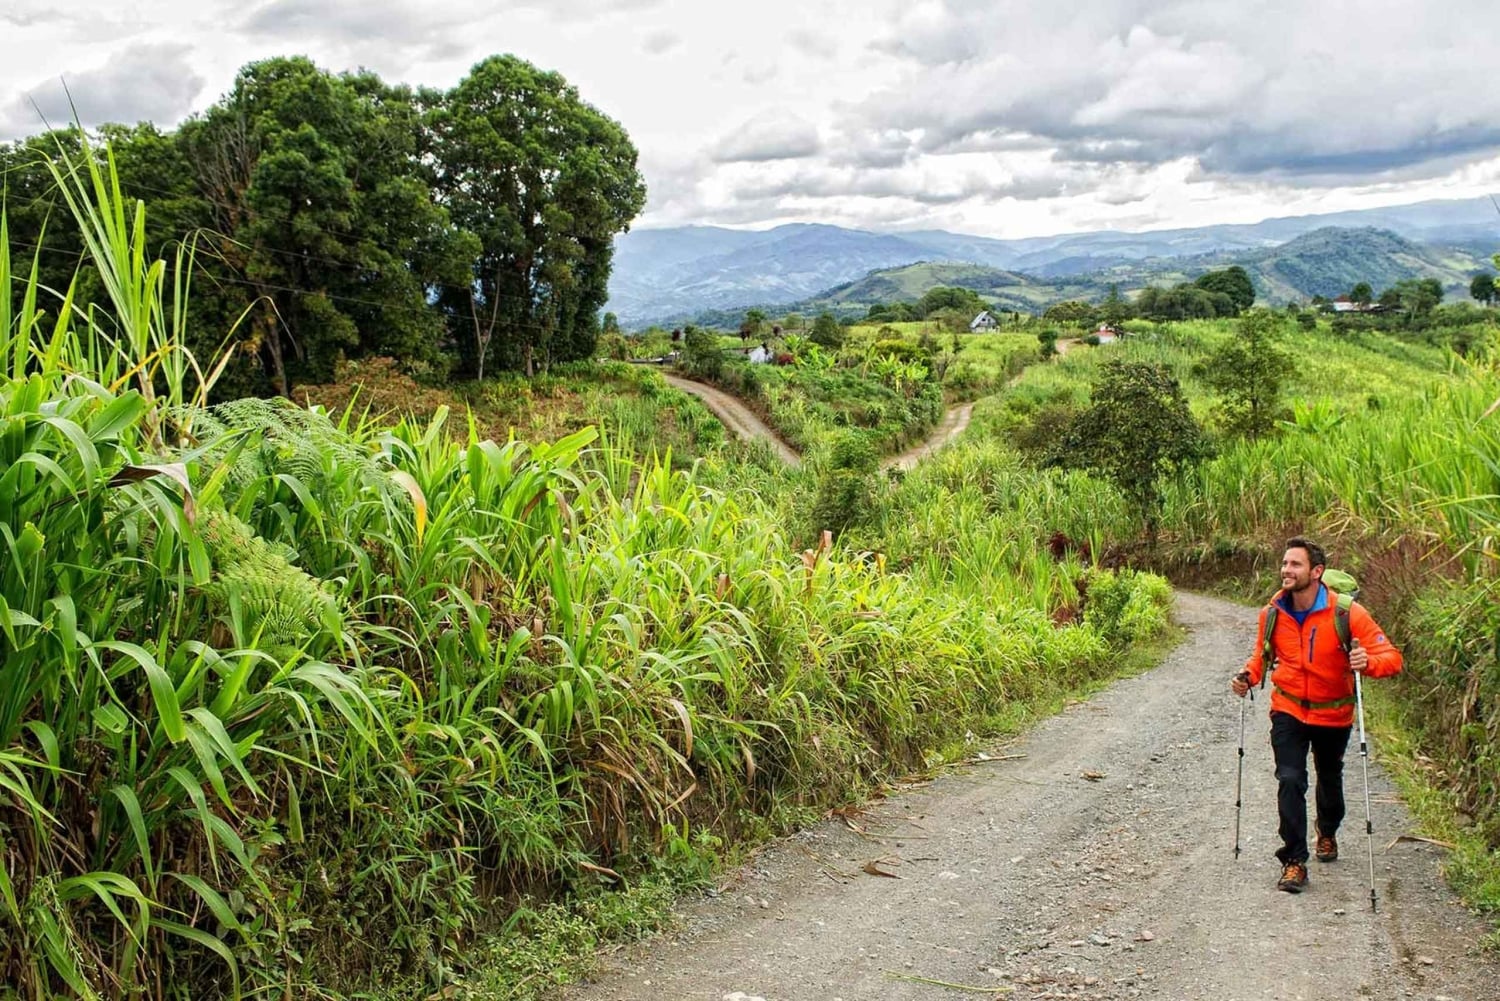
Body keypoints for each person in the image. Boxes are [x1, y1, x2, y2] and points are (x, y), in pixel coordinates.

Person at [1229, 538, 1401, 893]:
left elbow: (1392, 658)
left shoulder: (1347, 613)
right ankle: (1294, 861)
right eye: (1285, 563)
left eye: (1295, 565)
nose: (1286, 570)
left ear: (1316, 572)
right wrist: (1249, 676)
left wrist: (1368, 662)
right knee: (1290, 779)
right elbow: (1261, 655)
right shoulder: (1273, 612)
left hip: (1333, 712)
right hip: (1288, 708)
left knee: (1329, 776)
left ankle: (1328, 831)